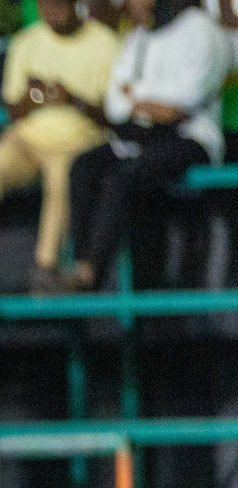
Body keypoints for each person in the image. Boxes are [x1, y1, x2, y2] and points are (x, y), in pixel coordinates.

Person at [0, 0, 120, 297]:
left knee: (64, 179)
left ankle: (46, 268)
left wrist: (72, 100)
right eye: (45, 6)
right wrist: (36, 97)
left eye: (57, 5)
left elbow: (115, 115)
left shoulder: (105, 43)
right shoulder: (25, 43)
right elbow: (13, 109)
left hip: (78, 141)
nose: (51, 12)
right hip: (27, 140)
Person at [64, 0, 229, 291]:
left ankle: (89, 274)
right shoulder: (139, 38)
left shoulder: (203, 32)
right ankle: (78, 268)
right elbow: (116, 105)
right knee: (83, 167)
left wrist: (138, 96)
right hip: (139, 140)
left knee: (123, 178)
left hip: (190, 140)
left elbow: (181, 105)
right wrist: (152, 104)